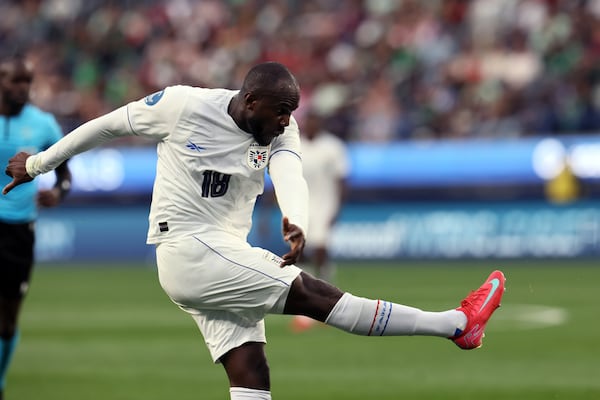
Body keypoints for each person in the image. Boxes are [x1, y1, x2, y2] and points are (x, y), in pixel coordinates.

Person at [2, 62, 505, 400]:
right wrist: (41, 163)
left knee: (251, 375)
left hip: (221, 256)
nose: (287, 120)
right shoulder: (182, 106)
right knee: (311, 294)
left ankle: (457, 326)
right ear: (250, 102)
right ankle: (457, 325)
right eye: (279, 110)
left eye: (292, 112)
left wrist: (297, 219)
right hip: (187, 251)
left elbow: (290, 173)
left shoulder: (283, 129)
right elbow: (107, 126)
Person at [0, 56, 71, 400]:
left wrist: (59, 192)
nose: (23, 89)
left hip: (19, 232)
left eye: (27, 82)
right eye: (16, 81)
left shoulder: (43, 124)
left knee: (8, 320)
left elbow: (66, 174)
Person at [291, 109, 350, 332]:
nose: (311, 125)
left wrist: (338, 209)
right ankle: (309, 289)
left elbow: (342, 180)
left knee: (320, 248)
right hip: (302, 205)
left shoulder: (332, 147)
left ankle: (325, 288)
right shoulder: (296, 145)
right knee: (300, 250)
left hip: (326, 204)